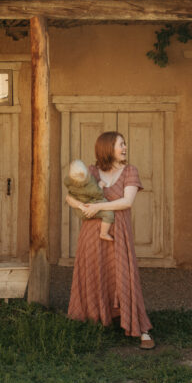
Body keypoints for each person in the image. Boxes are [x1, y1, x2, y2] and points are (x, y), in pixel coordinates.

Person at [65, 131, 154, 349]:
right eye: (120, 145)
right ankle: (96, 318)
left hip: (119, 232)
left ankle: (140, 327)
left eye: (124, 144)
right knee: (95, 272)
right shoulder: (92, 171)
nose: (125, 148)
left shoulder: (130, 171)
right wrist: (81, 206)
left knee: (124, 275)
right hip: (91, 232)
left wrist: (97, 206)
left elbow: (127, 202)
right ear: (107, 149)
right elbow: (70, 196)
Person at [64, 159, 115, 241]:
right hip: (88, 208)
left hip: (79, 210)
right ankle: (104, 233)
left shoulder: (67, 180)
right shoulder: (91, 185)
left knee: (71, 197)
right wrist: (100, 185)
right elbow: (99, 194)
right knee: (109, 213)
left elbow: (67, 186)